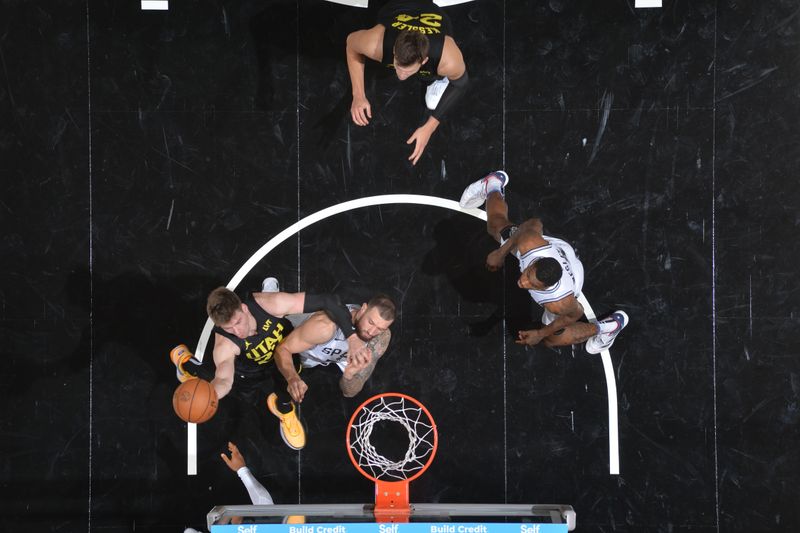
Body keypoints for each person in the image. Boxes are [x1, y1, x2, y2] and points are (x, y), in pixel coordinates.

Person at [170, 279, 368, 450]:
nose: (237, 332)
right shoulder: (225, 345)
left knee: (293, 379)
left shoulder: (270, 304)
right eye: (228, 328)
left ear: (244, 308)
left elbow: (328, 301)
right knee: (227, 387)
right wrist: (210, 396)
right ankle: (188, 365)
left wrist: (352, 337)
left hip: (284, 353)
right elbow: (223, 378)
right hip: (250, 369)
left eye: (238, 322)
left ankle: (282, 409)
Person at [459, 171, 629, 353]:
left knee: (551, 340)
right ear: (533, 264)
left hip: (573, 277)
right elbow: (532, 224)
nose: (522, 282)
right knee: (495, 227)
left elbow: (575, 314)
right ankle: (492, 184)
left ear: (545, 288)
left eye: (532, 284)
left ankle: (609, 327)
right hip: (557, 248)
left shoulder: (559, 302)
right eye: (527, 274)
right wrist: (500, 253)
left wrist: (541, 332)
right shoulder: (531, 244)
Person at [345, 0, 468, 165]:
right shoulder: (376, 43)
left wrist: (429, 127)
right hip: (394, 6)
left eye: (408, 71)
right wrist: (358, 94)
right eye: (398, 66)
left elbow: (461, 83)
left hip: (432, 15)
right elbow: (351, 44)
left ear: (423, 60)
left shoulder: (447, 59)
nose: (401, 76)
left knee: (435, 76)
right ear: (394, 51)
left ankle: (435, 81)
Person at [273, 295, 396, 406]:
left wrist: (349, 375)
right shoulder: (325, 327)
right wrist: (292, 378)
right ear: (363, 309)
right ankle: (273, 312)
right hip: (291, 341)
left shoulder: (380, 338)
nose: (371, 332)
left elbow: (349, 392)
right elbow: (282, 349)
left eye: (380, 328)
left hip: (319, 359)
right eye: (370, 322)